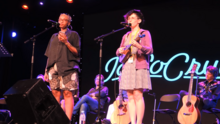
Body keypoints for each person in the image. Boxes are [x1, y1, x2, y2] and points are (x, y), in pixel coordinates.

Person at [116, 9, 153, 124]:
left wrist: (139, 46)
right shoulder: (126, 35)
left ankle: (139, 122)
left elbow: (150, 50)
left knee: (138, 95)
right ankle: (132, 121)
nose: (129, 20)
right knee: (129, 96)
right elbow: (119, 51)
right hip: (127, 66)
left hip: (139, 65)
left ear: (139, 20)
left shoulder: (144, 33)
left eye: (132, 18)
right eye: (128, 18)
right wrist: (120, 50)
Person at [44, 13, 81, 121]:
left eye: (64, 20)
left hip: (68, 68)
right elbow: (48, 55)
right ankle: (56, 119)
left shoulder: (73, 34)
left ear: (69, 23)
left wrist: (66, 42)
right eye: (60, 20)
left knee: (67, 93)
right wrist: (46, 70)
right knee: (54, 93)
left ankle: (67, 120)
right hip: (53, 68)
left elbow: (76, 52)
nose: (61, 22)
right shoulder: (53, 36)